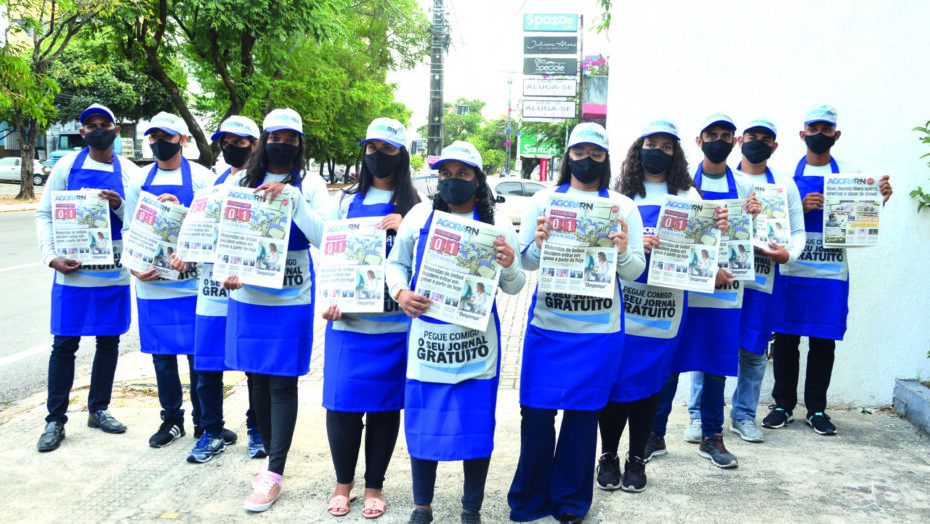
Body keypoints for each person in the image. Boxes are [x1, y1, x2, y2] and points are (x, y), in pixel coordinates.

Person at [508, 123, 645, 523]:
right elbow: (525, 262)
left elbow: (635, 272)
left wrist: (621, 250)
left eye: (596, 153)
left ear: (606, 158)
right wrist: (537, 242)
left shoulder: (623, 207)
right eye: (580, 152)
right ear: (568, 156)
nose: (587, 160)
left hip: (599, 333)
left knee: (582, 419)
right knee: (535, 414)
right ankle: (530, 498)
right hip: (548, 326)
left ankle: (570, 501)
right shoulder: (544, 201)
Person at [386, 140, 525, 524]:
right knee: (424, 423)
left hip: (477, 347)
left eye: (462, 174)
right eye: (445, 174)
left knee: (476, 425)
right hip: (428, 342)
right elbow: (394, 264)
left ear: (478, 181)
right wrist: (400, 292)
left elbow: (514, 287)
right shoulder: (417, 217)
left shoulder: (497, 227)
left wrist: (510, 264)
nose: (452, 181)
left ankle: (471, 508)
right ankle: (421, 505)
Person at [597, 119, 720, 492]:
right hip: (625, 304)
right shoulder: (621, 196)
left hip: (666, 308)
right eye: (653, 143)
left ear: (676, 154)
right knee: (617, 384)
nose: (659, 151)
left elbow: (703, 250)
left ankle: (637, 458)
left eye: (667, 147)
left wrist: (718, 233)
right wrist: (638, 243)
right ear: (638, 148)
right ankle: (608, 456)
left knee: (652, 384)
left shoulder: (689, 197)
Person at [221, 108, 329, 512]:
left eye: (291, 138)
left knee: (282, 381)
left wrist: (296, 201)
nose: (282, 144)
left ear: (300, 144)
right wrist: (227, 269)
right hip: (248, 296)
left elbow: (324, 237)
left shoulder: (311, 184)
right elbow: (224, 234)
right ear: (263, 139)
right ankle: (269, 458)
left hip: (291, 295)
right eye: (275, 136)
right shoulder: (240, 180)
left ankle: (274, 472)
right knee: (256, 378)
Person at [766, 104, 892, 435]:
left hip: (830, 274)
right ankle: (782, 405)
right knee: (786, 337)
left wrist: (878, 200)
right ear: (802, 134)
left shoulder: (849, 176)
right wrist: (798, 206)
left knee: (824, 340)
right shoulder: (785, 179)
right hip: (792, 272)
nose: (819, 135)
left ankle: (817, 409)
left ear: (836, 135)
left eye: (826, 130)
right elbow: (771, 221)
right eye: (814, 129)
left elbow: (863, 218)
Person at [322, 118, 421, 519]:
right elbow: (330, 255)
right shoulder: (344, 202)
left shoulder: (419, 208)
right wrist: (329, 300)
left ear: (402, 155)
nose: (377, 156)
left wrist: (410, 228)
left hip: (395, 328)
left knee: (384, 410)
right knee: (342, 406)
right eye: (371, 148)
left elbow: (427, 268)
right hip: (349, 325)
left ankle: (374, 486)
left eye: (387, 149)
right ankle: (342, 484)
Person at [649, 114, 758, 470]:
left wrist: (751, 217)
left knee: (715, 366)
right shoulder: (682, 186)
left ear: (735, 141)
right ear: (699, 140)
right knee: (669, 366)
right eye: (713, 134)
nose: (719, 140)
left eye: (726, 135)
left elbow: (745, 239)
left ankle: (713, 436)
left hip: (724, 295)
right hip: (681, 293)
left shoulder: (742, 188)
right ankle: (654, 433)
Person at [34, 103, 137, 452]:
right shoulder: (65, 166)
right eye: (90, 125)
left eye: (103, 123)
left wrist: (119, 205)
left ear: (116, 130)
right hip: (72, 274)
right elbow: (44, 214)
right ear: (82, 132)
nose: (97, 129)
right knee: (64, 345)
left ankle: (99, 409)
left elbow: (140, 219)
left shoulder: (130, 172)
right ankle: (55, 419)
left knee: (108, 343)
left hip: (113, 273)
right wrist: (51, 257)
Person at [172, 115, 263, 464]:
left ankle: (257, 428)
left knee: (253, 366)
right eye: (225, 141)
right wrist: (186, 253)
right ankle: (211, 431)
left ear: (255, 145)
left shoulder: (266, 183)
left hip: (250, 290)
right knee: (207, 365)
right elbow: (199, 230)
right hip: (212, 288)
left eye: (239, 142)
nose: (230, 147)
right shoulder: (213, 184)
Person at [122, 112, 213, 448]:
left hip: (191, 283)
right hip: (152, 283)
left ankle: (205, 422)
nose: (160, 142)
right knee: (162, 357)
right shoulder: (139, 181)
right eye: (154, 136)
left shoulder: (203, 178)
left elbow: (211, 225)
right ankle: (171, 419)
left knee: (196, 356)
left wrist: (184, 208)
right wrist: (132, 267)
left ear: (182, 140)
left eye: (167, 136)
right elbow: (129, 228)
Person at [729, 118, 806, 443]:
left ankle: (744, 416)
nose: (757, 143)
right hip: (724, 277)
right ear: (739, 141)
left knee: (755, 351)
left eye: (765, 139)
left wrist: (789, 255)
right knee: (713, 347)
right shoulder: (724, 178)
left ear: (774, 146)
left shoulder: (785, 185)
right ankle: (699, 416)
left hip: (762, 278)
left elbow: (798, 232)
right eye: (752, 137)